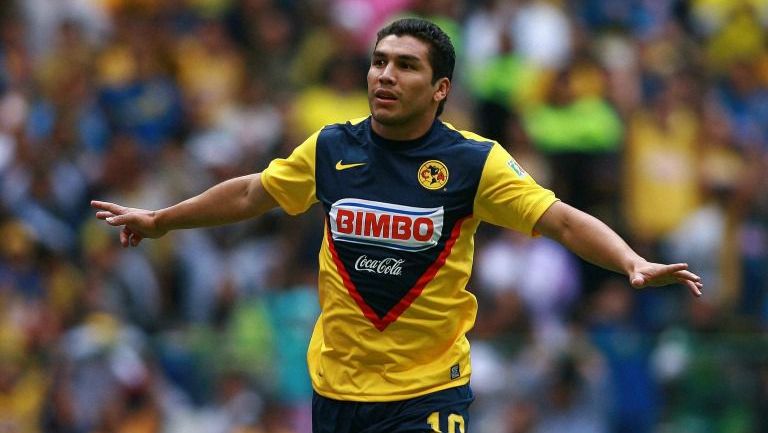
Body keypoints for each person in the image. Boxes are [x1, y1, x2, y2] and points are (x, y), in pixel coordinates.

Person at [92, 18, 703, 433]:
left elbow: (564, 222)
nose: (385, 75)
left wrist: (630, 262)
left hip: (427, 392)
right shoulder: (331, 147)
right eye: (379, 62)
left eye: (405, 66)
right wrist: (162, 220)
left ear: (440, 89)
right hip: (336, 390)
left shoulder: (474, 162)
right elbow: (254, 191)